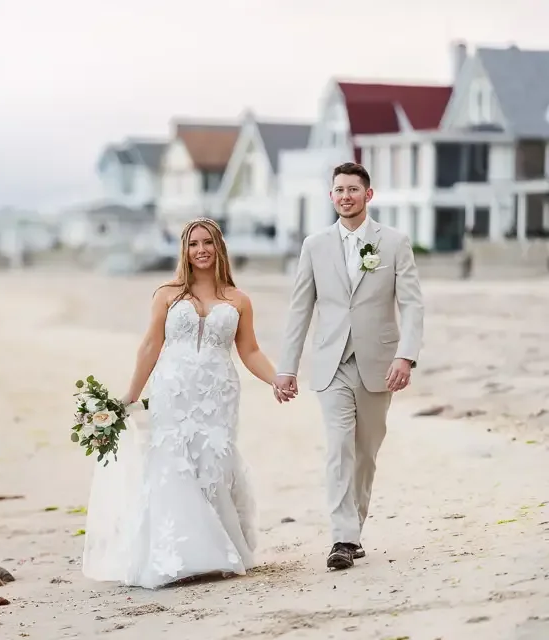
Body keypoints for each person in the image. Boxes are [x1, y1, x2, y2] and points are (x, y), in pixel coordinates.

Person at [81, 217, 279, 589]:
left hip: (218, 391)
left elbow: (250, 350)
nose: (200, 250)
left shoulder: (238, 300)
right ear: (184, 250)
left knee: (214, 464)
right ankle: (180, 554)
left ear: (220, 247)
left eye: (207, 243)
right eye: (192, 244)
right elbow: (150, 346)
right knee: (173, 464)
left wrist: (277, 379)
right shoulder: (167, 294)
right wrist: (131, 394)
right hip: (174, 390)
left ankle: (218, 549)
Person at [274, 162, 424, 571]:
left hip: (379, 362)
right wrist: (287, 367)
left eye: (353, 189)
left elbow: (411, 304)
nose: (345, 196)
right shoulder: (314, 245)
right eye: (338, 189)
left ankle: (353, 527)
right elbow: (299, 309)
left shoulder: (394, 243)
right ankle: (342, 538)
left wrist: (406, 356)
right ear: (331, 196)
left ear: (368, 195)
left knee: (366, 451)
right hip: (330, 363)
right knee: (339, 446)